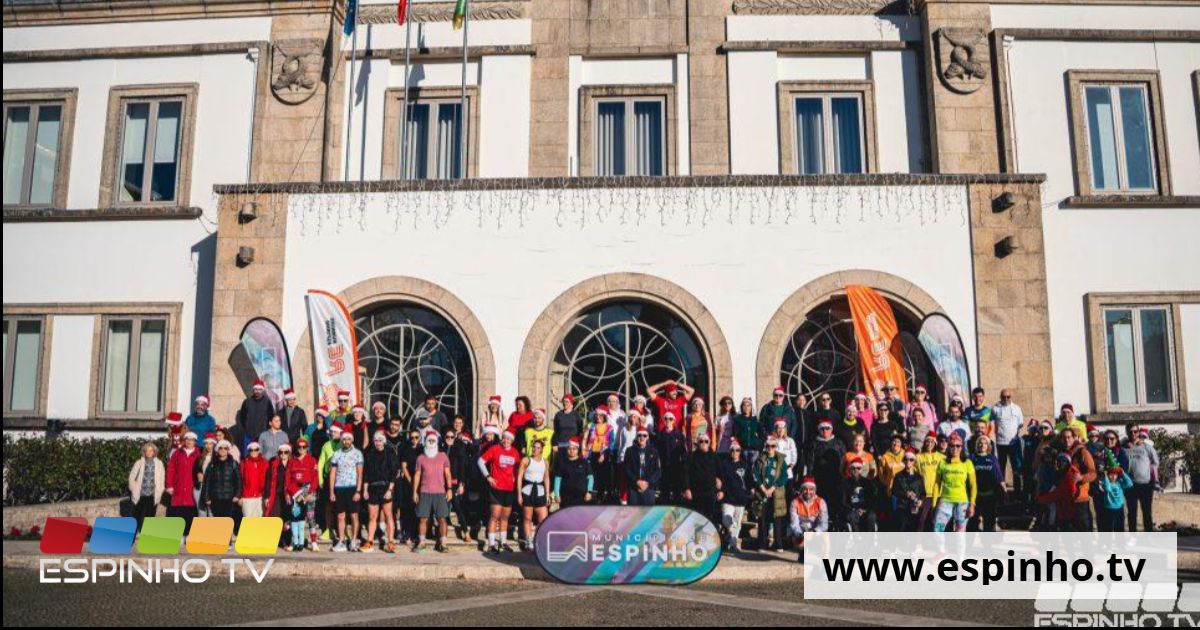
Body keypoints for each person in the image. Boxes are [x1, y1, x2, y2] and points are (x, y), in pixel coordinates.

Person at [479, 430, 521, 554]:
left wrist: (515, 478)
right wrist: (488, 477)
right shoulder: (495, 449)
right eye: (504, 438)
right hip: (496, 488)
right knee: (494, 516)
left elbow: (518, 468)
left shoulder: (515, 452)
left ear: (512, 441)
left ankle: (503, 542)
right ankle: (492, 544)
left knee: (505, 517)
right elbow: (480, 462)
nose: (506, 441)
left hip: (509, 489)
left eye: (509, 439)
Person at [412, 432, 453, 553]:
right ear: (425, 442)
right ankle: (422, 542)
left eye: (433, 441)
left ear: (436, 442)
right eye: (429, 441)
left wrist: (449, 489)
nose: (431, 443)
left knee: (442, 518)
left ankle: (443, 543)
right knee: (423, 518)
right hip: (424, 491)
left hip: (440, 492)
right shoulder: (421, 458)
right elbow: (417, 475)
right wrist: (414, 492)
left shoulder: (443, 456)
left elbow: (447, 473)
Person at [362, 431, 399, 552]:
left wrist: (390, 489)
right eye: (376, 440)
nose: (378, 443)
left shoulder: (389, 453)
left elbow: (394, 472)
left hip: (385, 487)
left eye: (380, 440)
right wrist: (365, 489)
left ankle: (391, 541)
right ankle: (370, 541)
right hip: (373, 488)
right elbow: (366, 473)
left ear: (384, 441)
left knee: (388, 515)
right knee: (372, 516)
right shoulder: (370, 454)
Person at [328, 432, 365, 552]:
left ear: (352, 440)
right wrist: (332, 491)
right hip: (339, 487)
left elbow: (360, 473)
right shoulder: (337, 454)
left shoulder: (357, 454)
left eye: (349, 439)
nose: (346, 441)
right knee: (340, 516)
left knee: (354, 515)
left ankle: (353, 540)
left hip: (352, 487)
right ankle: (342, 541)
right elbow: (332, 473)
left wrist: (358, 490)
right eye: (344, 439)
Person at [932, 436, 976, 532]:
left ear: (962, 447)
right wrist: (934, 503)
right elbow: (937, 484)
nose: (955, 448)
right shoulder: (942, 462)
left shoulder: (967, 463)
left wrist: (972, 504)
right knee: (937, 529)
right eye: (952, 445)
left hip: (962, 502)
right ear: (948, 446)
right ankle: (942, 548)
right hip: (945, 500)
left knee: (960, 532)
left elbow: (973, 485)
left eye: (958, 446)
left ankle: (959, 548)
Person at [806, 421, 846, 526]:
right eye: (822, 429)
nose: (825, 431)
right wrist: (810, 478)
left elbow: (844, 459)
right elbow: (810, 462)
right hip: (820, 478)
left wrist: (843, 475)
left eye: (827, 428)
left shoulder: (838, 443)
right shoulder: (814, 443)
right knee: (822, 503)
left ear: (831, 430)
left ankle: (835, 522)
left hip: (836, 478)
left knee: (836, 501)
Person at [754, 438, 790, 549]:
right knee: (763, 518)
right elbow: (755, 474)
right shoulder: (760, 459)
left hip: (776, 492)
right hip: (763, 492)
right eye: (768, 446)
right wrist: (763, 489)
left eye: (773, 446)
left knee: (777, 519)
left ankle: (778, 544)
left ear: (776, 447)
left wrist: (772, 488)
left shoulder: (780, 460)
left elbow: (784, 476)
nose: (770, 448)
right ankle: (762, 544)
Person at [286, 437, 320, 551]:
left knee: (310, 516)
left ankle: (313, 541)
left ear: (307, 448)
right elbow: (288, 480)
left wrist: (311, 493)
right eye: (299, 447)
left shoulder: (312, 460)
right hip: (296, 491)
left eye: (304, 447)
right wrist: (291, 493)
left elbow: (315, 478)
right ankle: (293, 542)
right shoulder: (292, 461)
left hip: (308, 489)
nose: (301, 449)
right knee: (295, 517)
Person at [517, 439, 551, 552]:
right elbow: (519, 478)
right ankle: (528, 541)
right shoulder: (526, 460)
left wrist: (547, 494)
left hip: (540, 491)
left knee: (543, 519)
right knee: (527, 518)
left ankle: (539, 540)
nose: (535, 449)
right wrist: (519, 495)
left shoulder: (545, 461)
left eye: (537, 447)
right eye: (533, 447)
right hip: (528, 491)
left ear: (541, 449)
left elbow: (546, 478)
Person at [165, 432, 202, 535]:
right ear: (184, 440)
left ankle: (189, 534)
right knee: (178, 511)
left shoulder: (199, 454)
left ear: (195, 441)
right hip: (179, 487)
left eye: (191, 440)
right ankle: (178, 534)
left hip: (192, 488)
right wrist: (169, 485)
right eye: (187, 439)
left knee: (191, 512)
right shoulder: (177, 453)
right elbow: (171, 470)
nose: (189, 442)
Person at [718, 440, 752, 552]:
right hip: (728, 498)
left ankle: (732, 545)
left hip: (740, 498)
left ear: (740, 451)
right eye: (732, 450)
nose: (735, 452)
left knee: (737, 524)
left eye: (737, 450)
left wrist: (749, 491)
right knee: (726, 520)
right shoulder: (724, 464)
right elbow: (720, 478)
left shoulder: (744, 464)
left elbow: (749, 480)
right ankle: (731, 539)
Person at [1061, 427, 1097, 532]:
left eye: (1068, 437)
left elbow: (1093, 473)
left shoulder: (1083, 452)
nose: (1066, 440)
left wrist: (1082, 477)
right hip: (1066, 499)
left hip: (1080, 499)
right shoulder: (1061, 452)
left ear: (1073, 438)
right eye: (1064, 438)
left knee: (1084, 533)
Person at [1125, 427, 1159, 532]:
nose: (1133, 433)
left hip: (1145, 484)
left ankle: (1148, 536)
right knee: (1132, 513)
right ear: (1127, 432)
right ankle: (1132, 536)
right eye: (1130, 431)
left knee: (1147, 512)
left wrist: (1155, 478)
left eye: (1135, 431)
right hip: (1130, 484)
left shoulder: (1146, 447)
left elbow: (1155, 462)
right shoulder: (1124, 447)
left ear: (1138, 432)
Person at [683, 434, 721, 527]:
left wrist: (721, 486)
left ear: (709, 443)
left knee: (710, 519)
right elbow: (685, 473)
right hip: (696, 493)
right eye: (701, 441)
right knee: (696, 518)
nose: (703, 443)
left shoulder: (715, 457)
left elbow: (721, 473)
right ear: (697, 443)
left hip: (710, 493)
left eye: (706, 441)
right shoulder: (691, 456)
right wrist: (687, 489)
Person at [127, 442, 165, 532]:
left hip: (153, 493)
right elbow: (131, 477)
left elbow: (162, 478)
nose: (149, 452)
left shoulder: (159, 463)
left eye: (151, 450)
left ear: (154, 452)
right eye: (147, 450)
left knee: (150, 514)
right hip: (140, 493)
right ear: (144, 452)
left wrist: (160, 490)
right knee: (137, 514)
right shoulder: (139, 462)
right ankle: (135, 532)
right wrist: (133, 488)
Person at [969, 435, 1004, 532]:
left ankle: (987, 544)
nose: (982, 445)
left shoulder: (992, 458)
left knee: (989, 522)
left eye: (985, 443)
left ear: (988, 445)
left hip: (990, 495)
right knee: (972, 522)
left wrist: (1003, 488)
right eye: (980, 442)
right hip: (976, 495)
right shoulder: (972, 457)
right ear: (977, 444)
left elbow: (999, 476)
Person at [788, 477, 828, 561]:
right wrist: (802, 534)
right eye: (805, 489)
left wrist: (814, 532)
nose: (808, 492)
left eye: (811, 489)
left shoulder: (821, 502)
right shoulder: (795, 502)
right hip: (801, 532)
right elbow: (794, 524)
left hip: (815, 531)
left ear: (815, 490)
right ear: (801, 490)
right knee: (798, 541)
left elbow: (824, 524)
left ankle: (822, 561)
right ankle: (802, 553)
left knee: (826, 538)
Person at [991, 389, 1024, 490]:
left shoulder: (1017, 408)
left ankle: (1018, 494)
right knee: (1000, 469)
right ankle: (1002, 492)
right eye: (1003, 397)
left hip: (1014, 444)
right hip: (1000, 444)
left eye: (1008, 397)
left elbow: (1020, 424)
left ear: (1011, 397)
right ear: (1000, 397)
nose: (1006, 399)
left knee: (1017, 468)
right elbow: (992, 424)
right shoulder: (995, 409)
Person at [201, 440, 241, 519]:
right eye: (221, 448)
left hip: (229, 497)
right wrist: (206, 497)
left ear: (228, 450)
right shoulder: (212, 464)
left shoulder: (233, 463)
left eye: (225, 448)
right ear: (217, 450)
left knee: (228, 521)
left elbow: (238, 480)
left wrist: (237, 495)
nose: (223, 450)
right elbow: (207, 481)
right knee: (218, 521)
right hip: (216, 498)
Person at [396, 429, 423, 544]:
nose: (414, 439)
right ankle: (407, 533)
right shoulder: (406, 449)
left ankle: (417, 534)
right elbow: (403, 466)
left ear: (420, 438)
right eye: (412, 437)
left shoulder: (422, 450)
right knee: (407, 509)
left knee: (418, 509)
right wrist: (411, 480)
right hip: (409, 481)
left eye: (416, 437)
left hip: (421, 481)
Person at [653, 411, 687, 504]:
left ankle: (678, 507)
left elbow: (683, 451)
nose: (668, 421)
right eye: (666, 419)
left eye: (670, 419)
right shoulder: (660, 435)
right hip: (664, 465)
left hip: (675, 465)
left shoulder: (679, 435)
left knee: (677, 490)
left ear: (674, 421)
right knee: (665, 490)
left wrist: (683, 463)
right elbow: (656, 451)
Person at [584, 409, 616, 503]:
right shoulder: (591, 426)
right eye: (597, 416)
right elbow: (587, 439)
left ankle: (605, 496)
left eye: (601, 416)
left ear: (604, 417)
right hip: (593, 452)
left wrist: (605, 454)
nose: (598, 418)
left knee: (604, 476)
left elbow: (612, 442)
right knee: (593, 475)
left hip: (604, 453)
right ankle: (593, 495)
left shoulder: (609, 427)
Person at [623, 429, 662, 506]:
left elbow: (658, 471)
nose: (642, 438)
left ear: (647, 438)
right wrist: (637, 481)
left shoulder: (654, 452)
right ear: (636, 437)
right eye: (639, 435)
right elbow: (626, 469)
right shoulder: (629, 451)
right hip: (634, 487)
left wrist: (647, 482)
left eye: (644, 436)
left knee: (647, 514)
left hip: (648, 487)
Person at [915, 434, 945, 531]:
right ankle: (919, 543)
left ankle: (937, 542)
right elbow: (916, 474)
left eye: (932, 442)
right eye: (927, 441)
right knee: (922, 519)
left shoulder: (942, 457)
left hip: (938, 493)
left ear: (935, 444)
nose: (929, 444)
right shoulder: (918, 457)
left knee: (937, 520)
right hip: (925, 494)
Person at [236, 380, 275, 451]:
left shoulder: (267, 402)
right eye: (256, 389)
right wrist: (245, 429)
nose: (257, 391)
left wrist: (267, 429)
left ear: (262, 390)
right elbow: (242, 417)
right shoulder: (247, 402)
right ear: (253, 390)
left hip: (262, 434)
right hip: (248, 435)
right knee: (247, 454)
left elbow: (271, 417)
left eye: (260, 389)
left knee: (262, 454)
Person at [553, 438, 593, 508]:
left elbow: (590, 477)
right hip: (566, 496)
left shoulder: (584, 462)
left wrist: (589, 492)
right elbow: (557, 479)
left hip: (581, 496)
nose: (571, 451)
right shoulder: (562, 463)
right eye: (569, 449)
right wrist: (557, 494)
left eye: (574, 449)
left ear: (578, 450)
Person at [891, 450, 925, 532]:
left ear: (914, 461)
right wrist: (905, 494)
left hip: (915, 509)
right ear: (903, 460)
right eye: (906, 459)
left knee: (913, 531)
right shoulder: (898, 476)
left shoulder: (919, 477)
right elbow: (894, 491)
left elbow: (923, 493)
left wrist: (920, 501)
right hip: (902, 508)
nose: (908, 461)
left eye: (911, 459)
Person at [842, 458, 878, 532]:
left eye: (858, 468)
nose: (856, 470)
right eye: (853, 468)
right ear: (850, 470)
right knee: (851, 516)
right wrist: (855, 510)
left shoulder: (867, 483)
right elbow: (843, 502)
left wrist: (865, 510)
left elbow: (872, 499)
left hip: (865, 509)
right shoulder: (845, 483)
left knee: (872, 516)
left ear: (861, 469)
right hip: (852, 510)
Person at [1095, 465, 1133, 532]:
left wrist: (1122, 472)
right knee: (1108, 529)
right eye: (1111, 475)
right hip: (1109, 510)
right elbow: (1108, 488)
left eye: (1115, 475)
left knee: (1120, 529)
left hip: (1119, 509)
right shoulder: (1105, 483)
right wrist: (1105, 476)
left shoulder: (1119, 483)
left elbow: (1129, 484)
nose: (1113, 477)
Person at [263, 443, 293, 520]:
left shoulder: (293, 464)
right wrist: (267, 496)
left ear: (289, 453)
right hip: (276, 494)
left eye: (285, 452)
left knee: (288, 518)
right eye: (281, 452)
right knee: (274, 516)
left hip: (290, 494)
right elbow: (268, 482)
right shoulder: (273, 465)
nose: (283, 454)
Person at [239, 442, 269, 518]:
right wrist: (240, 496)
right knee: (248, 520)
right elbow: (240, 480)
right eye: (251, 450)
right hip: (247, 496)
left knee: (259, 519)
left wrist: (267, 496)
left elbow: (269, 480)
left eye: (256, 450)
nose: (253, 452)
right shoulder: (244, 463)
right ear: (248, 451)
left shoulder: (265, 462)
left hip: (260, 496)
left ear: (259, 451)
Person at [552, 394, 584, 461]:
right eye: (563, 401)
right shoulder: (558, 415)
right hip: (561, 445)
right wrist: (555, 444)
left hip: (573, 445)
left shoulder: (576, 415)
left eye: (567, 401)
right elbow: (555, 430)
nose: (564, 403)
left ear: (571, 403)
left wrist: (580, 445)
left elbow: (580, 431)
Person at [732, 398, 764, 463]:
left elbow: (762, 434)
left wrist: (759, 443)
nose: (746, 407)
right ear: (741, 407)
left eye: (748, 405)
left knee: (753, 469)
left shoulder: (755, 420)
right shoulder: (738, 420)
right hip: (743, 449)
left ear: (751, 407)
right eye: (744, 405)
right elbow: (735, 434)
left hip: (754, 449)